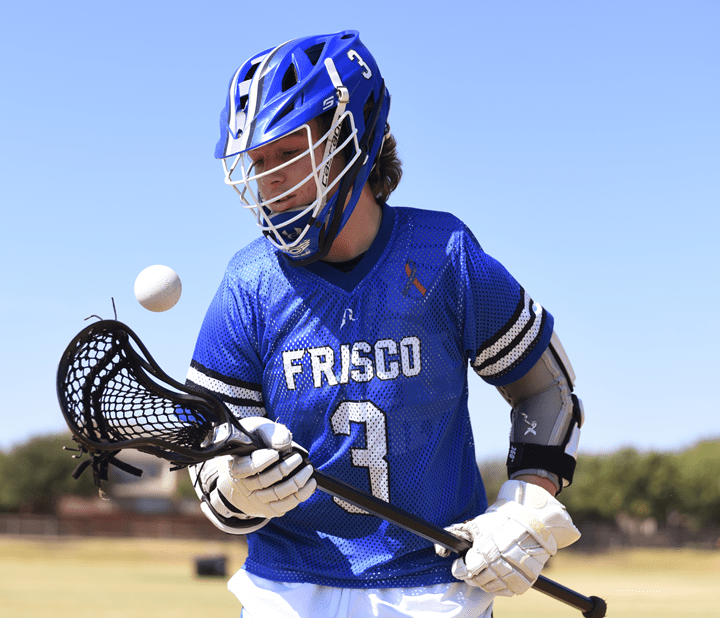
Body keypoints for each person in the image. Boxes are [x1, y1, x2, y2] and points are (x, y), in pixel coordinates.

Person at [186, 30, 584, 618]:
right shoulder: (249, 283)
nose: (268, 179)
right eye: (257, 160)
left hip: (435, 589)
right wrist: (238, 485)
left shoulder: (442, 253)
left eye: (287, 150)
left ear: (350, 138)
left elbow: (547, 389)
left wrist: (524, 505)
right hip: (286, 592)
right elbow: (206, 443)